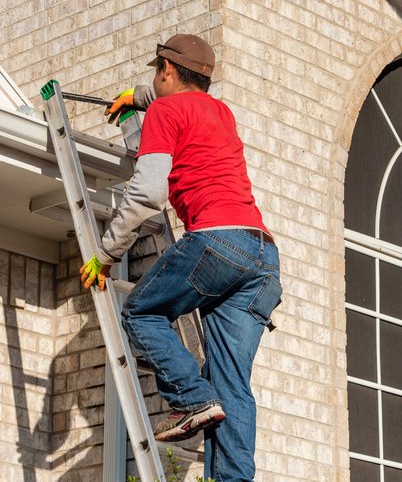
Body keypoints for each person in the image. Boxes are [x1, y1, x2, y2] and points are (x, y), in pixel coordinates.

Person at [78, 33, 282, 482]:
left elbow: (149, 192)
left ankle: (191, 399)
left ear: (167, 70)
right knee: (232, 384)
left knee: (141, 311)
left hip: (216, 241)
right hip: (263, 257)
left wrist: (106, 253)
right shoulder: (220, 112)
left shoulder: (167, 111)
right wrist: (137, 96)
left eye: (156, 72)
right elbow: (176, 94)